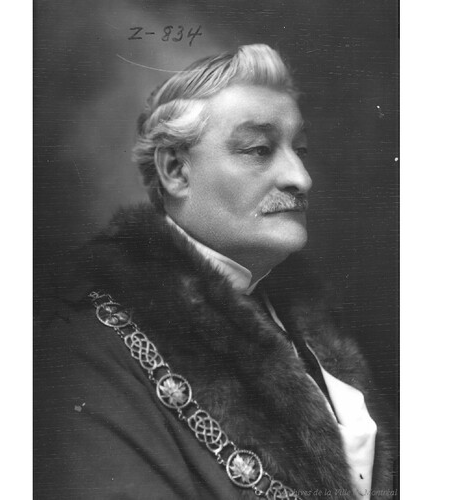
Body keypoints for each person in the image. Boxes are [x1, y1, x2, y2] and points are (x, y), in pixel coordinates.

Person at [34, 44, 395, 499]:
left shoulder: (311, 321)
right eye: (259, 149)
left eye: (300, 149)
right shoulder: (85, 342)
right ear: (175, 170)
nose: (301, 178)